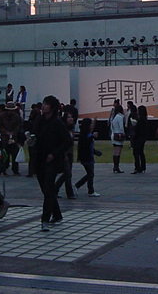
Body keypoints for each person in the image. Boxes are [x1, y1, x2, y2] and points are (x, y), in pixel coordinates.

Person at [34, 95, 71, 231]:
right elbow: (35, 134)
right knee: (46, 189)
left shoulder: (57, 123)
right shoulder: (39, 120)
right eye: (43, 103)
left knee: (49, 188)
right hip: (40, 158)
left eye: (47, 104)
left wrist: (54, 154)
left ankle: (45, 219)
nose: (44, 106)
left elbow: (67, 141)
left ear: (53, 107)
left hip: (52, 160)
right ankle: (57, 214)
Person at [75, 118, 100, 196]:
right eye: (91, 124)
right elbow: (85, 145)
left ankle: (89, 190)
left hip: (89, 156)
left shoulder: (87, 134)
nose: (92, 125)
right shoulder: (85, 135)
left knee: (90, 174)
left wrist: (96, 152)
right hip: (86, 157)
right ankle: (87, 189)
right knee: (90, 174)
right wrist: (92, 136)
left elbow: (90, 146)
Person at [55, 110, 76, 198]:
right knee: (67, 173)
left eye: (71, 117)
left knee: (68, 173)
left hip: (70, 153)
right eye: (68, 117)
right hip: (65, 154)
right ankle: (69, 192)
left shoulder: (71, 129)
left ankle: (56, 189)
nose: (71, 119)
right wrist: (64, 154)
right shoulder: (63, 129)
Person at [0, 102, 22, 176]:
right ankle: (4, 169)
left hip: (14, 138)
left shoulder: (16, 116)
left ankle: (15, 170)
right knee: (5, 155)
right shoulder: (1, 116)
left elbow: (18, 126)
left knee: (15, 154)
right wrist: (6, 132)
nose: (10, 112)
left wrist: (13, 132)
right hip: (4, 138)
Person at [131, 105, 149, 174]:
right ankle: (143, 167)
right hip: (142, 138)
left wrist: (134, 126)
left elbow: (137, 130)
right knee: (141, 152)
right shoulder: (145, 119)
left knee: (136, 153)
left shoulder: (140, 120)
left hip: (138, 138)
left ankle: (137, 167)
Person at [110, 103, 126, 173]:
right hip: (119, 135)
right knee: (118, 152)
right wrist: (123, 134)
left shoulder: (114, 117)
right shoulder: (120, 117)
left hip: (114, 134)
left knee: (115, 151)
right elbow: (121, 127)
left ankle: (115, 166)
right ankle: (116, 167)